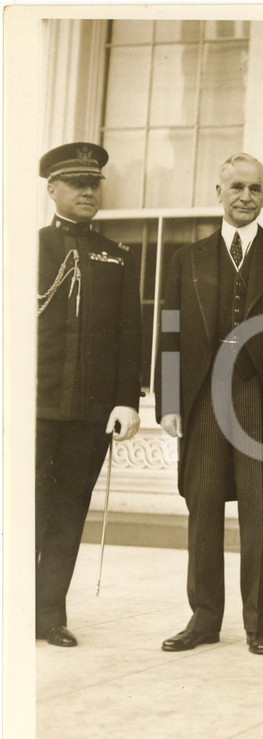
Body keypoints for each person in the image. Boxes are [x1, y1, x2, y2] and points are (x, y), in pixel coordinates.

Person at [155, 153, 263, 655]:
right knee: (202, 507)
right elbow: (171, 332)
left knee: (261, 513)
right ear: (218, 191)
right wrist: (170, 400)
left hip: (261, 399)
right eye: (237, 187)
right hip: (201, 398)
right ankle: (203, 619)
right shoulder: (187, 258)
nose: (246, 196)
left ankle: (256, 624)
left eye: (256, 189)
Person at [35, 142, 142, 647]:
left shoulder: (118, 256)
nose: (87, 192)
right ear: (52, 188)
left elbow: (129, 334)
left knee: (69, 510)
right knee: (24, 510)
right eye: (76, 183)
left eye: (93, 183)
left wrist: (126, 400)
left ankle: (49, 615)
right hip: (33, 406)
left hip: (91, 412)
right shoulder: (24, 247)